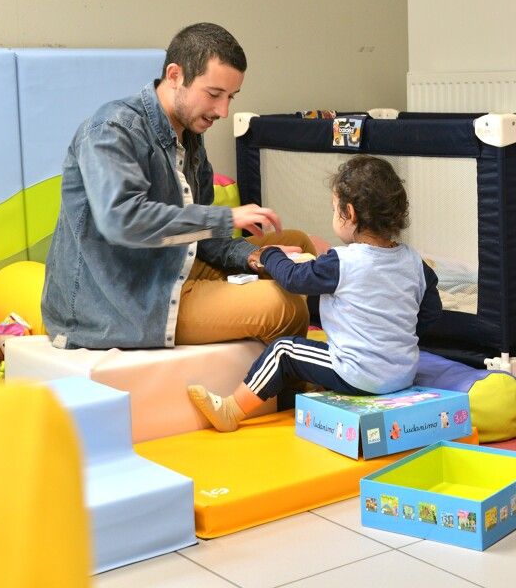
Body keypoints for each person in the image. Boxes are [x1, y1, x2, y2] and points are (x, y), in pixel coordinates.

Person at [42, 22, 315, 350]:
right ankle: (299, 394)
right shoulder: (112, 130)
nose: (224, 111)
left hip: (177, 265)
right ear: (175, 75)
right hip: (127, 301)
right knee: (282, 307)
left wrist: (254, 256)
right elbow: (122, 222)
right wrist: (225, 219)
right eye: (214, 94)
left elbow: (202, 238)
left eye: (231, 97)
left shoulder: (191, 136)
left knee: (297, 244)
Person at [188, 154, 442, 432]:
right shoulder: (414, 261)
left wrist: (270, 254)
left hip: (358, 374)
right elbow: (431, 314)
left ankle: (231, 410)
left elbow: (294, 279)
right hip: (403, 373)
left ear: (350, 213)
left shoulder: (342, 261)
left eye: (335, 209)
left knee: (283, 351)